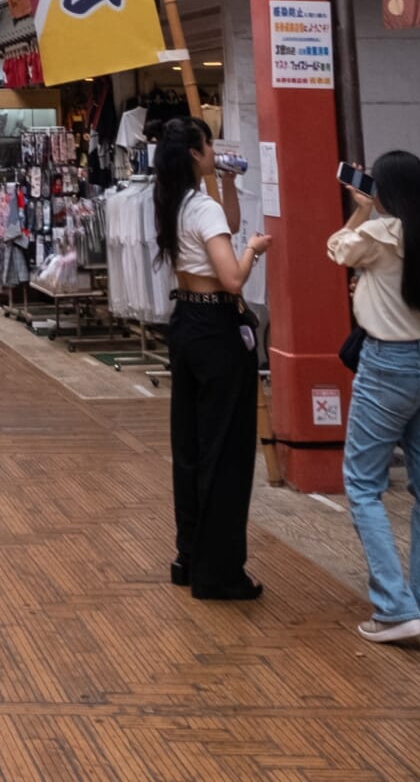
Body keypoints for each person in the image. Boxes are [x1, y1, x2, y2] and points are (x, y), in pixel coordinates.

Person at [327, 149, 420, 642]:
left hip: (387, 368)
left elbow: (336, 249)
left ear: (384, 189)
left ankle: (393, 606)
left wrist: (361, 208)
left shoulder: (379, 235)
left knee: (362, 484)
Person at [160, 116, 268, 599]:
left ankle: (191, 554)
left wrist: (226, 183)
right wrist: (254, 251)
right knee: (225, 450)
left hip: (186, 323)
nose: (214, 152)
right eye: (209, 147)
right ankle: (220, 571)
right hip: (215, 327)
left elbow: (225, 225)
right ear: (196, 152)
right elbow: (232, 279)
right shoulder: (200, 207)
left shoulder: (174, 201)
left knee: (191, 445)